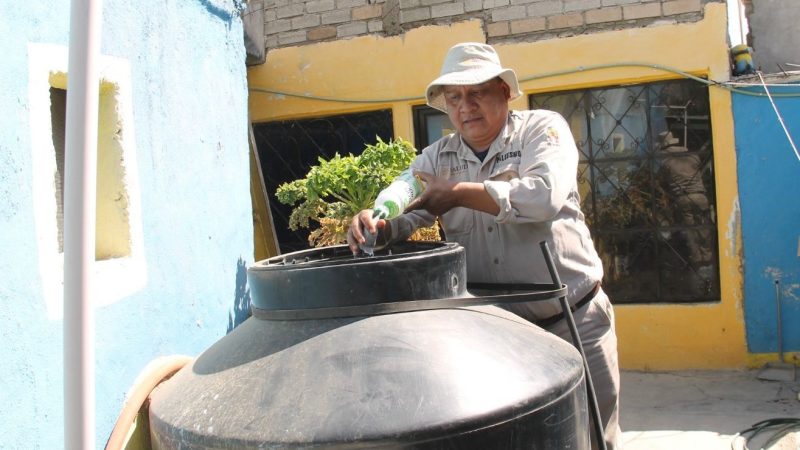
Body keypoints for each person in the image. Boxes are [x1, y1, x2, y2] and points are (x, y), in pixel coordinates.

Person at [347, 42, 621, 450]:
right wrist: (376, 224)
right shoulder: (437, 158)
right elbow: (407, 206)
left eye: (477, 92)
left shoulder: (542, 130)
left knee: (594, 437)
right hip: (500, 337)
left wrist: (458, 193)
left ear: (504, 92)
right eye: (454, 97)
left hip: (574, 321)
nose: (466, 107)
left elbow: (543, 196)